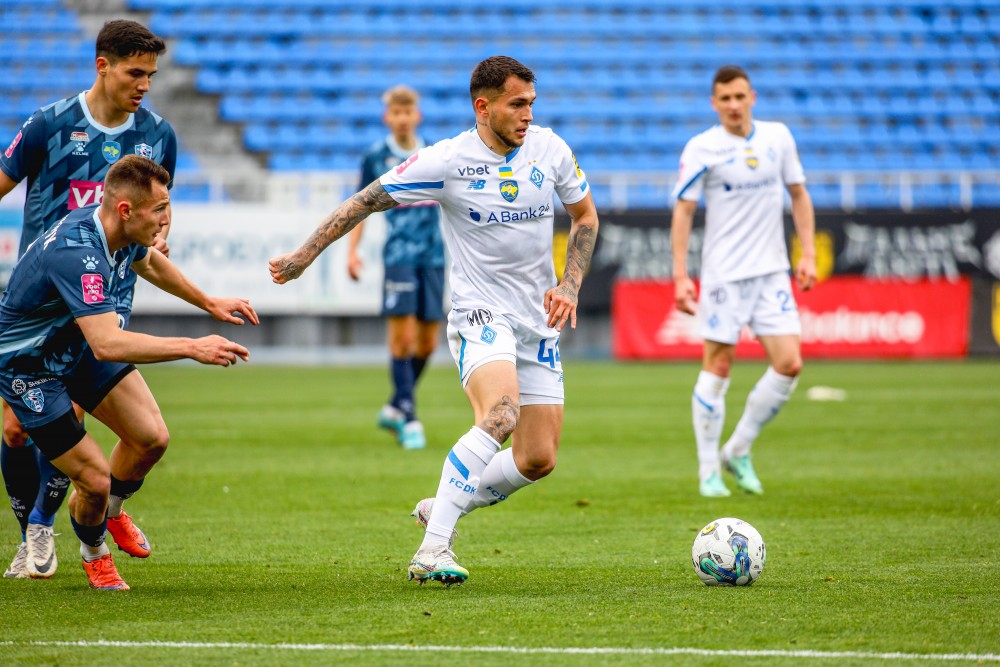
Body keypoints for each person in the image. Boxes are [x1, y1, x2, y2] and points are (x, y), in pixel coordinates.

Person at [270, 55, 599, 586]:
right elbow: (365, 200)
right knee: (501, 414)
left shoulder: (551, 149)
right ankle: (432, 548)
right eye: (517, 105)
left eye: (532, 104)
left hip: (537, 322)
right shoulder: (447, 160)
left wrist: (570, 284)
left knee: (538, 459)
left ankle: (445, 502)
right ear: (483, 107)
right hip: (480, 313)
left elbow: (585, 216)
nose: (528, 115)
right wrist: (303, 256)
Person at [0, 155, 257, 590]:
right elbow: (107, 343)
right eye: (159, 210)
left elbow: (149, 263)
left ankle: (112, 513)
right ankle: (94, 551)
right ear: (126, 210)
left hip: (76, 346)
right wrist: (192, 346)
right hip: (30, 367)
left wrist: (208, 302)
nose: (166, 220)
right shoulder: (78, 253)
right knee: (94, 481)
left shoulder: (117, 230)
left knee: (151, 438)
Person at [0, 19, 177, 579]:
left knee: (88, 429)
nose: (144, 84)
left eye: (151, 75)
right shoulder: (48, 125)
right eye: (135, 72)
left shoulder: (157, 133)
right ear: (103, 66)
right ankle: (35, 529)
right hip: (41, 303)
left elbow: (161, 206)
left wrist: (161, 237)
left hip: (104, 304)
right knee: (14, 430)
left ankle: (58, 526)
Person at [670, 65, 817, 498]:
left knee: (789, 364)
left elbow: (799, 194)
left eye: (740, 97)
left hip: (772, 271)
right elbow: (683, 210)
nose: (733, 105)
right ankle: (708, 471)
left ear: (752, 97)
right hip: (725, 274)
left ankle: (737, 449)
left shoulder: (778, 138)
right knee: (718, 367)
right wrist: (680, 275)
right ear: (714, 104)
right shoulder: (703, 147)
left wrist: (808, 253)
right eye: (725, 99)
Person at [346, 85, 445, 450]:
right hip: (399, 256)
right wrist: (352, 252)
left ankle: (394, 406)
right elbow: (358, 206)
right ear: (387, 117)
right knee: (402, 340)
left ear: (417, 115)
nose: (402, 119)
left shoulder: (435, 153)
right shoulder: (376, 156)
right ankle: (409, 416)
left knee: (428, 343)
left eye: (408, 112)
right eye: (396, 113)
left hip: (435, 256)